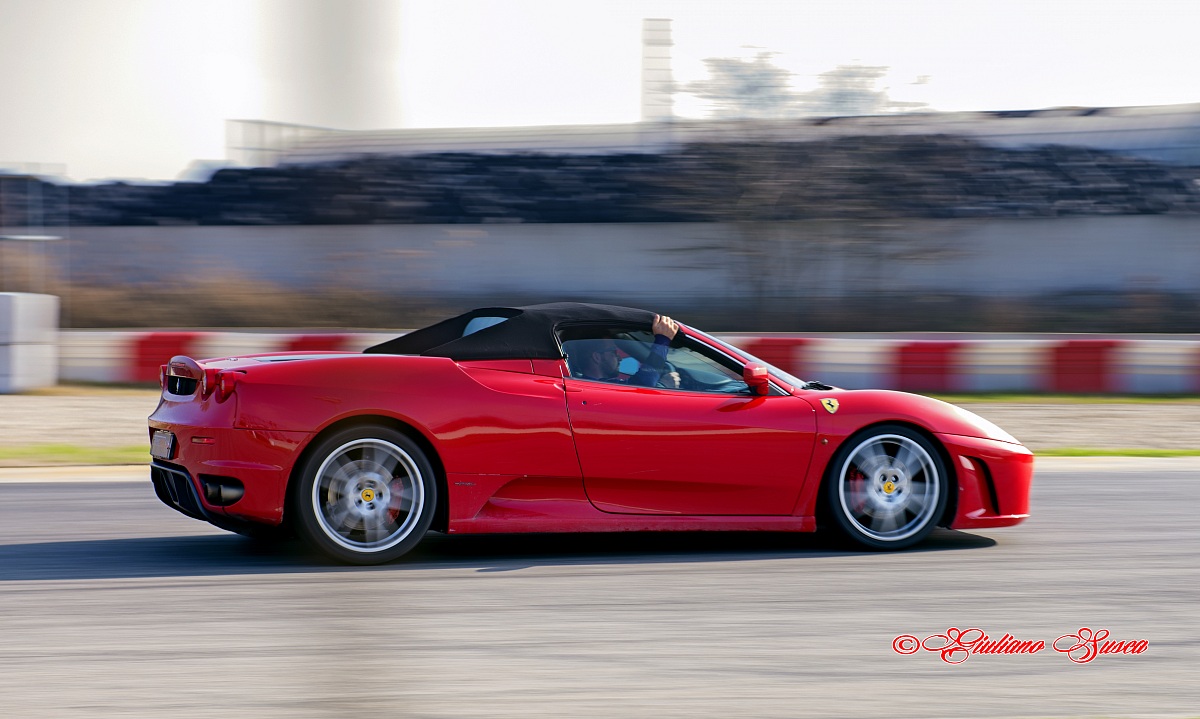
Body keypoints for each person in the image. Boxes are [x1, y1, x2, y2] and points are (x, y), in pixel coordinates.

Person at [572, 314, 682, 388]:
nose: (620, 357)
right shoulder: (596, 388)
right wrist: (663, 340)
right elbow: (643, 385)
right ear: (597, 357)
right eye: (614, 352)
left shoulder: (585, 384)